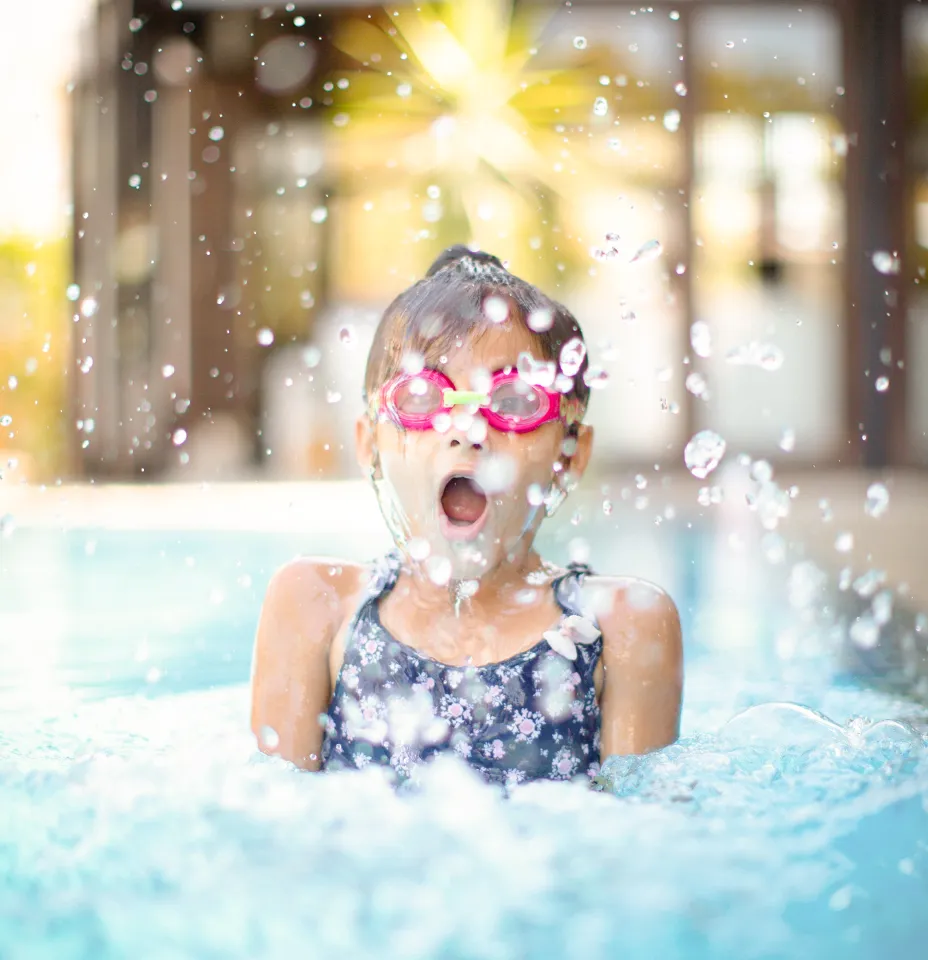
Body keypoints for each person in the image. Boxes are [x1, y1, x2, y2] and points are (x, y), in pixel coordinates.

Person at [250, 245, 683, 786]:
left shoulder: (620, 625)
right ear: (369, 444)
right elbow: (275, 819)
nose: (468, 430)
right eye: (421, 398)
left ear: (570, 455)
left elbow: (644, 829)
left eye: (515, 402)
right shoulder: (317, 605)